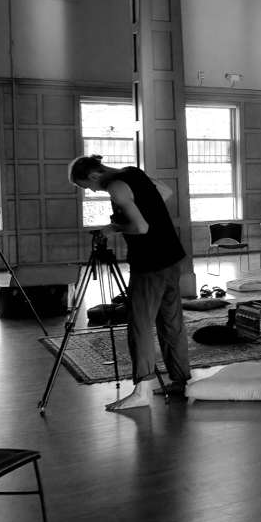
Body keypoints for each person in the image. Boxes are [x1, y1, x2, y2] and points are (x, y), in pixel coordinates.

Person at [69, 153, 188, 410]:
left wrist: (114, 228)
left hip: (150, 264)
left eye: (85, 186)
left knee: (140, 325)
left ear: (93, 175)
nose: (89, 190)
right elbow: (164, 192)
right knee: (171, 321)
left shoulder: (115, 187)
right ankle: (180, 380)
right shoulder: (133, 172)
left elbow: (142, 228)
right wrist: (130, 218)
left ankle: (142, 391)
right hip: (172, 256)